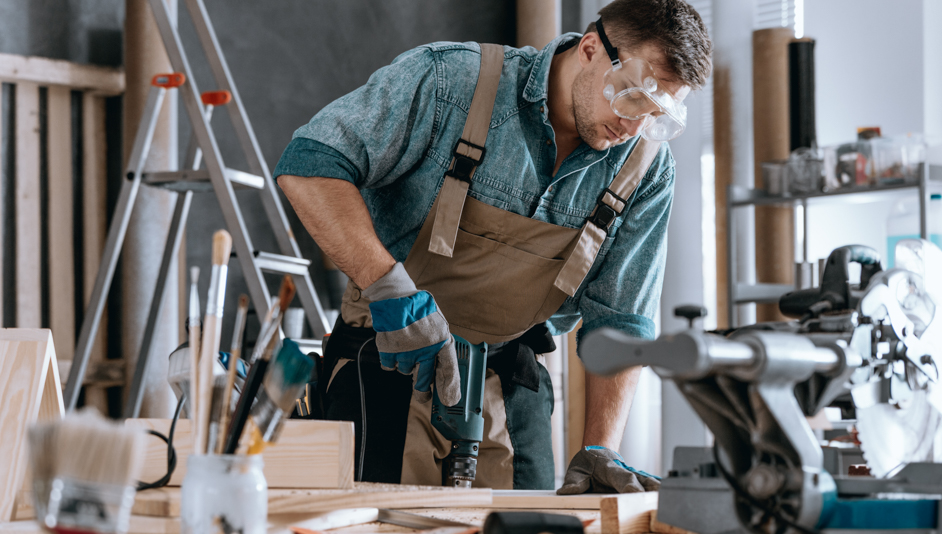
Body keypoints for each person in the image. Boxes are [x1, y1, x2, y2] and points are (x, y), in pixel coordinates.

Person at [275, 0, 711, 495]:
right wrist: (386, 284)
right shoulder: (452, 82)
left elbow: (620, 321)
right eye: (631, 97)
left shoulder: (646, 167)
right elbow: (310, 165)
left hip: (509, 382)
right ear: (591, 49)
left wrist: (599, 449)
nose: (633, 127)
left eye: (655, 115)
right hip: (392, 364)